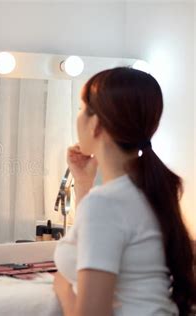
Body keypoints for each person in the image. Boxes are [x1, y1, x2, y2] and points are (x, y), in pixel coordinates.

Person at [53, 67, 196, 315]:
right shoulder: (149, 191)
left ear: (95, 124)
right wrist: (84, 184)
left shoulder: (106, 203)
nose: (78, 117)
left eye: (81, 109)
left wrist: (63, 289)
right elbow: (103, 238)